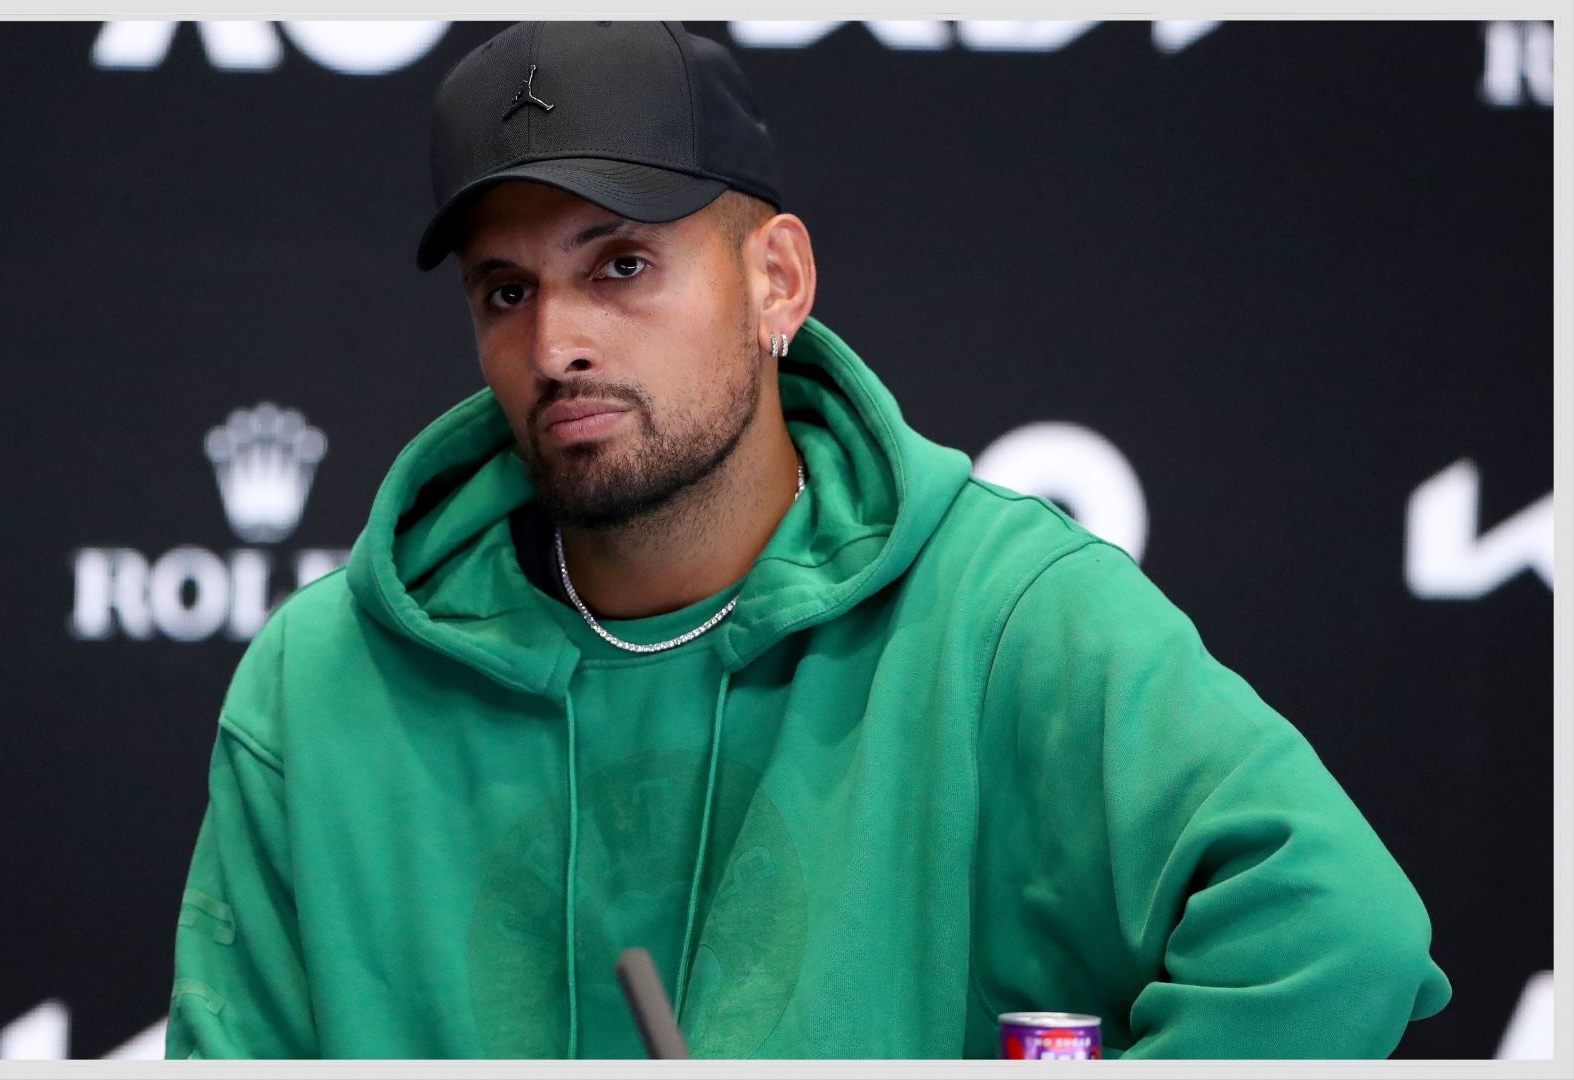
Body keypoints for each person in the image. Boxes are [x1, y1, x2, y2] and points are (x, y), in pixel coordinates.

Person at [165, 21, 1449, 1059]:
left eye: (619, 266)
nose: (557, 342)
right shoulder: (320, 685)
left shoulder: (1006, 614)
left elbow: (1337, 939)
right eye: (509, 290)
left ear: (777, 279)